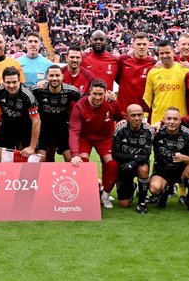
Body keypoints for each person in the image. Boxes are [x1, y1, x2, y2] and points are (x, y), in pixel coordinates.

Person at [69, 79, 123, 208]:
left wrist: (121, 122)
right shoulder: (79, 106)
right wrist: (75, 154)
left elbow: (120, 117)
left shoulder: (111, 103)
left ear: (106, 93)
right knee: (82, 163)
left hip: (104, 138)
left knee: (112, 164)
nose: (98, 97)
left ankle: (105, 195)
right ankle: (88, 194)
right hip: (85, 138)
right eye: (95, 94)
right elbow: (74, 131)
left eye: (101, 94)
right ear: (90, 92)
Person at [144, 107, 189, 213]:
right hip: (162, 170)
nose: (171, 122)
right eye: (169, 118)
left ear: (180, 120)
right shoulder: (156, 132)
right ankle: (164, 192)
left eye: (175, 119)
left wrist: (184, 158)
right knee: (154, 188)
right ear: (163, 120)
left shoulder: (188, 134)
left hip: (182, 171)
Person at [0, 66, 41, 161]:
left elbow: (36, 121)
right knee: (1, 159)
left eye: (14, 82)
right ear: (3, 82)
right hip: (7, 128)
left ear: (19, 81)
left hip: (26, 129)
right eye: (8, 82)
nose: (11, 85)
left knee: (30, 161)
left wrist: (32, 147)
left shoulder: (27, 95)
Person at [31, 64, 82, 162]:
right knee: (41, 159)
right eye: (51, 76)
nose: (54, 78)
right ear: (47, 77)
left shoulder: (71, 91)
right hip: (43, 130)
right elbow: (22, 91)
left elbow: (85, 100)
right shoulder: (38, 90)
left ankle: (69, 177)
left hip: (62, 130)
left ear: (62, 76)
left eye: (57, 75)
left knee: (70, 159)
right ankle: (43, 177)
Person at [109, 104, 153, 210]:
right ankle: (132, 187)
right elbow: (115, 154)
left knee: (143, 169)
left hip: (137, 164)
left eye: (139, 115)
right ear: (127, 117)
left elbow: (146, 156)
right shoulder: (120, 130)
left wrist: (133, 163)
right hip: (124, 166)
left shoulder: (148, 131)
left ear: (143, 116)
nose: (137, 118)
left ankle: (141, 202)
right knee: (124, 204)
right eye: (133, 115)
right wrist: (134, 158)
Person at [143, 40, 189, 124]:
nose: (164, 56)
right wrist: (144, 117)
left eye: (167, 53)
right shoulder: (153, 72)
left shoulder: (185, 70)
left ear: (173, 52)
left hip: (179, 119)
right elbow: (147, 97)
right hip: (158, 120)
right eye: (161, 53)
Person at [116, 32, 156, 113]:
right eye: (139, 44)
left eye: (144, 44)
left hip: (144, 113)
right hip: (124, 112)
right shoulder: (123, 61)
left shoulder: (154, 64)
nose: (141, 47)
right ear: (133, 45)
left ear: (149, 45)